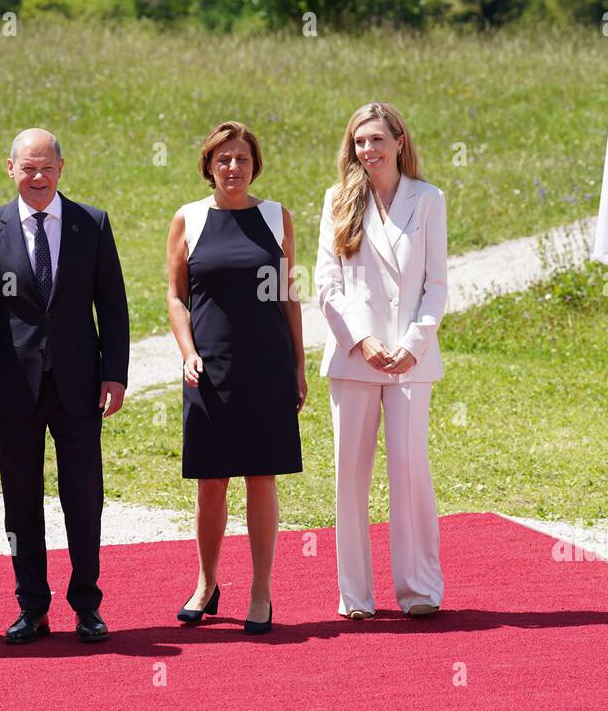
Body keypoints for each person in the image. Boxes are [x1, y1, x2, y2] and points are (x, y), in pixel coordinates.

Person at [0, 128, 130, 644]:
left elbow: (114, 305)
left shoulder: (91, 224)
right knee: (21, 500)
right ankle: (32, 605)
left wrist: (115, 373)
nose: (37, 177)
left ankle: (87, 605)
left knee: (84, 497)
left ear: (62, 168)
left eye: (46, 168)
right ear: (9, 169)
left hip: (79, 385)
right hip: (14, 389)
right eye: (27, 168)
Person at [166, 121, 305, 635]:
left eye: (241, 158)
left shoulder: (276, 218)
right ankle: (206, 582)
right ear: (208, 166)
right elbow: (176, 296)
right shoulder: (189, 219)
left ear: (254, 164)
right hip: (209, 368)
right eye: (223, 159)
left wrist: (298, 364)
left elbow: (289, 293)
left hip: (267, 365)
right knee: (211, 483)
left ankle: (261, 591)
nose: (232, 167)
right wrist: (187, 352)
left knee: (261, 478)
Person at [314, 102, 448, 620]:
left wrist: (412, 345)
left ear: (398, 140)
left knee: (410, 468)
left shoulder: (429, 199)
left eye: (376, 140)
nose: (367, 150)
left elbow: (436, 286)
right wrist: (363, 341)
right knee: (350, 474)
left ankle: (419, 589)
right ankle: (355, 596)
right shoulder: (338, 200)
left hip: (411, 360)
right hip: (355, 358)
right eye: (359, 141)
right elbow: (326, 284)